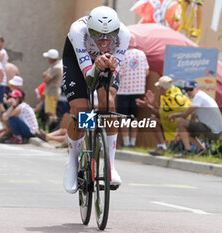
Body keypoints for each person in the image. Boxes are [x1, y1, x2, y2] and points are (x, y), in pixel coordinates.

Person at [62, 6, 130, 193]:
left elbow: (107, 80)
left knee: (108, 100)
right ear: (89, 29)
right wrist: (96, 67)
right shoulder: (78, 31)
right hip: (77, 62)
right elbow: (90, 79)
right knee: (82, 111)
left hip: (105, 63)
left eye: (109, 36)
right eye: (97, 34)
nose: (104, 41)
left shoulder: (124, 34)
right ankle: (72, 162)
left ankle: (110, 165)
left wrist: (108, 67)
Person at [168, 80, 222, 157]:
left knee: (180, 121)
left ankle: (188, 151)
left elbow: (185, 115)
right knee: (185, 128)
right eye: (186, 90)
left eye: (190, 89)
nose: (188, 92)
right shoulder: (200, 98)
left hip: (214, 131)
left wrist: (173, 115)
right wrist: (180, 130)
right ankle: (202, 149)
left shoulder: (199, 96)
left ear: (197, 88)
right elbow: (192, 119)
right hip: (216, 131)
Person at [136, 76, 190, 156]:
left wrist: (148, 106)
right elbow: (162, 111)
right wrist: (153, 104)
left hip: (180, 123)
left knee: (153, 121)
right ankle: (162, 145)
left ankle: (162, 147)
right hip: (177, 121)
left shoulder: (172, 97)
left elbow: (162, 115)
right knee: (154, 118)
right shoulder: (171, 92)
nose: (158, 89)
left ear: (163, 88)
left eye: (159, 87)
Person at [117, 34, 149, 148]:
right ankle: (133, 143)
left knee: (124, 118)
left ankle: (125, 142)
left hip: (123, 90)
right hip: (138, 90)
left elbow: (118, 74)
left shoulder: (122, 55)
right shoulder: (142, 54)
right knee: (134, 117)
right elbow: (146, 72)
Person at [42, 49, 63, 127]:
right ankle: (53, 128)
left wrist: (46, 74)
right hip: (52, 91)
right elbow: (45, 75)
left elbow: (46, 79)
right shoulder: (54, 66)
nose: (47, 59)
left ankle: (54, 128)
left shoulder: (56, 67)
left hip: (52, 92)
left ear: (51, 58)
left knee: (51, 113)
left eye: (48, 57)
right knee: (50, 112)